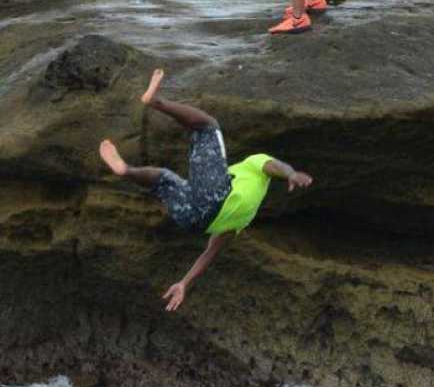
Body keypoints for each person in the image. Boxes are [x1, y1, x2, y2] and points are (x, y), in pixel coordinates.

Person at [99, 69, 313, 311]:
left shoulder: (254, 162)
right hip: (193, 221)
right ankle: (125, 170)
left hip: (210, 200)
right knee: (164, 179)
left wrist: (291, 173)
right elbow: (210, 253)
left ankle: (153, 106)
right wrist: (184, 283)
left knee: (208, 127)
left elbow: (273, 165)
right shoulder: (242, 220)